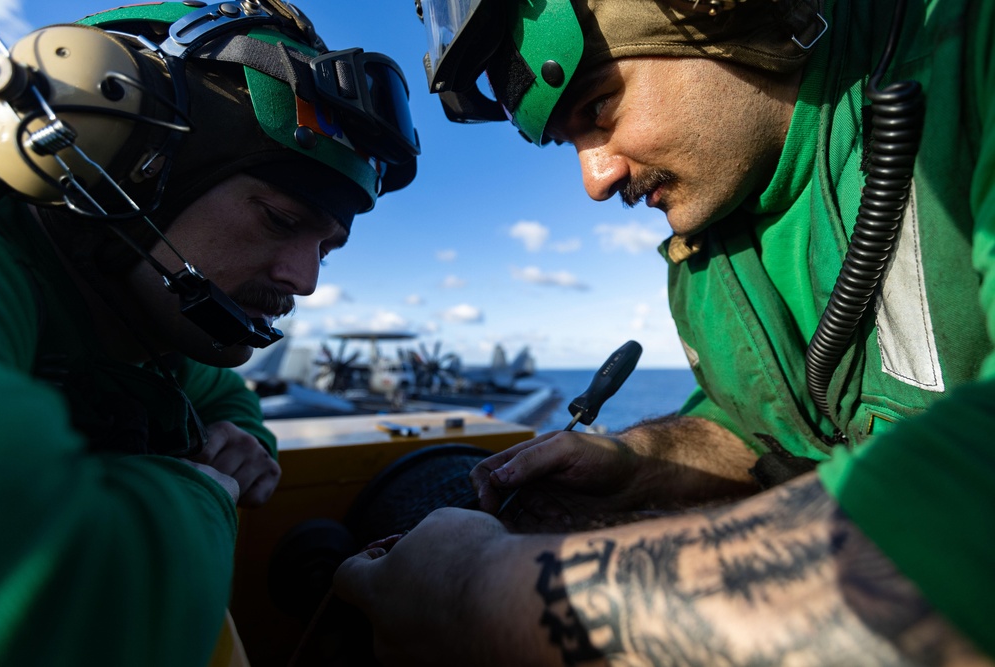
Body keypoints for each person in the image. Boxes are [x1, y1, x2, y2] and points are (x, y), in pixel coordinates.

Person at [333, 0, 995, 664]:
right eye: (571, 142)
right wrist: (640, 462)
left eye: (597, 108)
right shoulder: (704, 254)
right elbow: (764, 430)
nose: (595, 181)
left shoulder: (972, 50)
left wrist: (473, 591)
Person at [0, 1, 418, 664]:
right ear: (128, 157)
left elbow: (222, 395)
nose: (305, 280)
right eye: (280, 221)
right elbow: (56, 573)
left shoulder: (132, 322)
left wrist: (244, 439)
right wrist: (204, 492)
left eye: (326, 247)